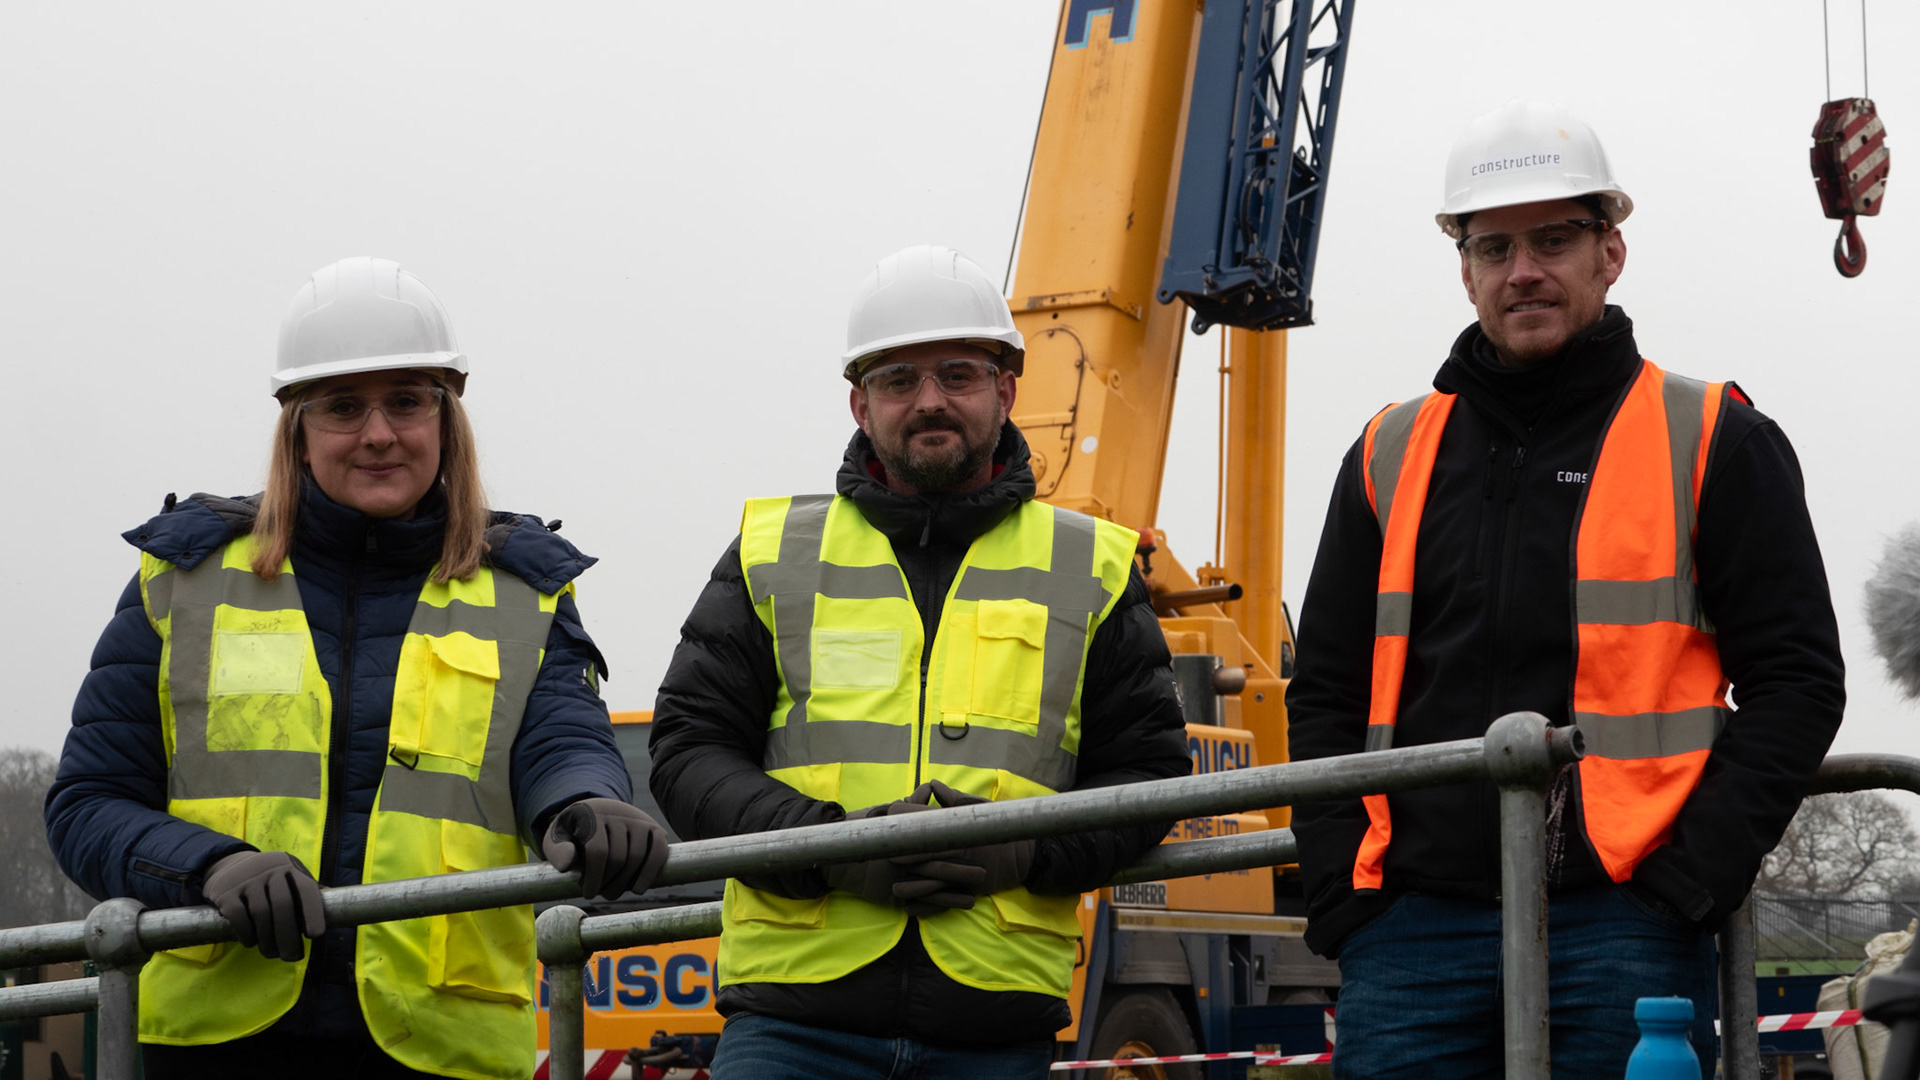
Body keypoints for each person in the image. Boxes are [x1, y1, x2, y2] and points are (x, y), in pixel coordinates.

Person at [1285, 101, 1847, 1078]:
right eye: (1494, 247)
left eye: (1553, 240)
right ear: (1464, 269)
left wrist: (1691, 879)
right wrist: (1345, 894)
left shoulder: (1714, 438)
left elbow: (1798, 680)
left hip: (1625, 920)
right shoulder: (1387, 452)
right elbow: (1326, 688)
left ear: (1610, 253)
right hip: (1410, 933)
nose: (1523, 271)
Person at [45, 257, 669, 1080]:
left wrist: (586, 805)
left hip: (443, 1048)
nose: (379, 433)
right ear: (297, 430)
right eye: (343, 406)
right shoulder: (183, 580)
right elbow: (88, 805)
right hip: (214, 1046)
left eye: (407, 401)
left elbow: (562, 742)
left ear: (446, 420)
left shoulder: (526, 590)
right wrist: (209, 867)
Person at [648, 244, 1191, 1079]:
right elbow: (688, 752)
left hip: (994, 1028)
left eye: (958, 374)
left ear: (1006, 391)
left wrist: (1023, 849)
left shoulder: (1096, 566)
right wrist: (829, 848)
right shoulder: (772, 553)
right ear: (860, 405)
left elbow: (1149, 773)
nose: (930, 400)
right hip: (793, 1024)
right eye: (899, 379)